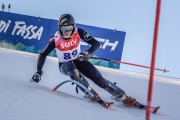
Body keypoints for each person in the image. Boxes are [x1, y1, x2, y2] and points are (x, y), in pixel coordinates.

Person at [32, 14, 137, 107]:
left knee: (99, 79)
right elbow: (43, 54)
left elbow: (96, 43)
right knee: (71, 68)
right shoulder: (55, 39)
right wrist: (38, 71)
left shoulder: (79, 32)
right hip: (64, 65)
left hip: (79, 60)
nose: (67, 31)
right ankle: (89, 92)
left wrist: (87, 53)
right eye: (64, 28)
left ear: (73, 26)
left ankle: (122, 97)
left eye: (69, 28)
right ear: (60, 28)